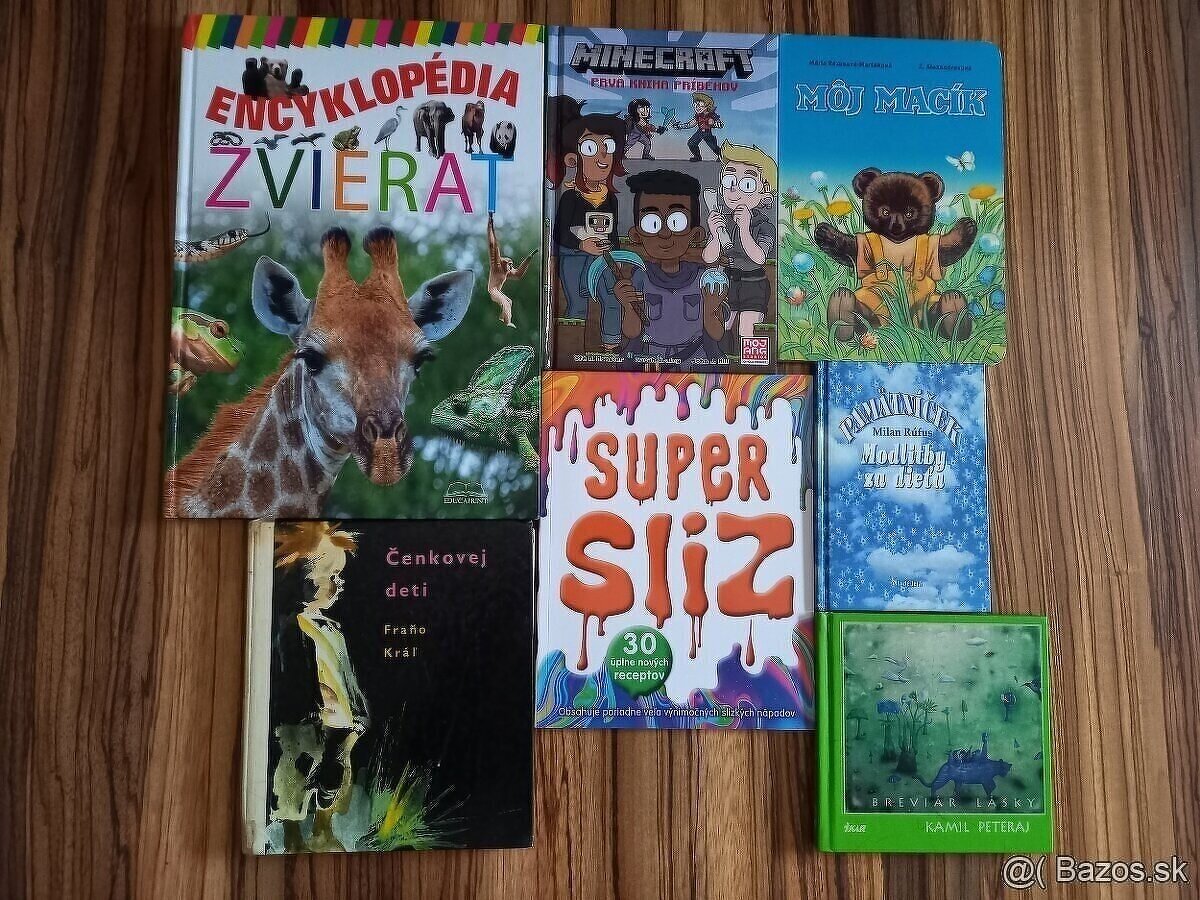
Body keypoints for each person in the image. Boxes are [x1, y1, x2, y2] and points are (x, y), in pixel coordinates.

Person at [613, 169, 727, 370]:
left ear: (696, 234)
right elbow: (632, 333)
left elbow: (716, 335)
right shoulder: (640, 278)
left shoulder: (705, 279)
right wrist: (628, 306)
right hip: (651, 364)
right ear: (637, 235)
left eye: (677, 222)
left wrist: (710, 309)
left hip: (695, 364)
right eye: (652, 223)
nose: (665, 233)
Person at [547, 96, 627, 351]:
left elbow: (613, 233)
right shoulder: (570, 197)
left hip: (603, 258)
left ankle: (611, 345)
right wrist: (582, 245)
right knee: (577, 303)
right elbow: (560, 234)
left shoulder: (610, 199)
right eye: (591, 148)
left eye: (609, 146)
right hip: (574, 258)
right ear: (573, 159)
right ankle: (573, 352)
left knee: (612, 298)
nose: (603, 155)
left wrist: (613, 252)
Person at [702, 141, 777, 352]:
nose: (734, 189)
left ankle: (748, 364)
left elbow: (759, 258)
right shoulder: (723, 219)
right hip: (727, 282)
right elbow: (708, 257)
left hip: (754, 284)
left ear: (764, 191)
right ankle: (722, 362)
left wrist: (744, 229)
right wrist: (715, 233)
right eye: (729, 180)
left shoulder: (764, 226)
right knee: (722, 327)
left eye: (747, 184)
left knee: (746, 330)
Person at [672, 92, 723, 161]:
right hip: (700, 132)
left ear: (707, 106)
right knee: (691, 143)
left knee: (713, 146)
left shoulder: (712, 115)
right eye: (695, 105)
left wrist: (716, 124)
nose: (697, 107)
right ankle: (697, 156)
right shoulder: (698, 115)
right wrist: (680, 126)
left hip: (707, 133)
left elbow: (720, 124)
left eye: (699, 105)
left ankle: (721, 156)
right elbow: (690, 124)